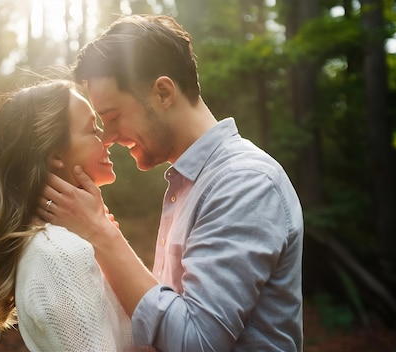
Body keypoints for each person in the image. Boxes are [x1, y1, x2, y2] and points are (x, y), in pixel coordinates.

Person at [40, 14, 304, 351]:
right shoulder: (189, 184)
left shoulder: (243, 183)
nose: (108, 138)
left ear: (163, 93)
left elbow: (195, 342)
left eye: (113, 117)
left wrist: (101, 235)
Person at [0, 79, 136, 351]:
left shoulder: (61, 245)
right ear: (55, 154)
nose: (107, 138)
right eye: (93, 129)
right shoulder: (60, 254)